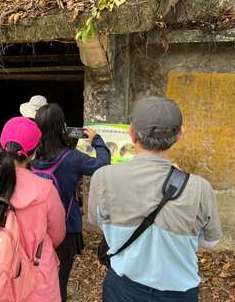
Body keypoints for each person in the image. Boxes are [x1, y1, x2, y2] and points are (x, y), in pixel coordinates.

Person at [89, 97, 222, 302]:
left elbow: (98, 222)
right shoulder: (200, 188)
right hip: (178, 293)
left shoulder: (103, 177)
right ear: (179, 134)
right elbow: (211, 241)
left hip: (123, 288)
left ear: (131, 133)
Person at [0, 117, 66, 301]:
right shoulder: (45, 190)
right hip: (36, 277)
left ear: (1, 146)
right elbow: (57, 235)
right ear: (34, 153)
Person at [32, 104, 111, 302]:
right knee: (60, 280)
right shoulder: (71, 158)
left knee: (35, 275)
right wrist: (97, 141)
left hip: (34, 228)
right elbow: (103, 164)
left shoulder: (30, 155)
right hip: (65, 229)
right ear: (62, 127)